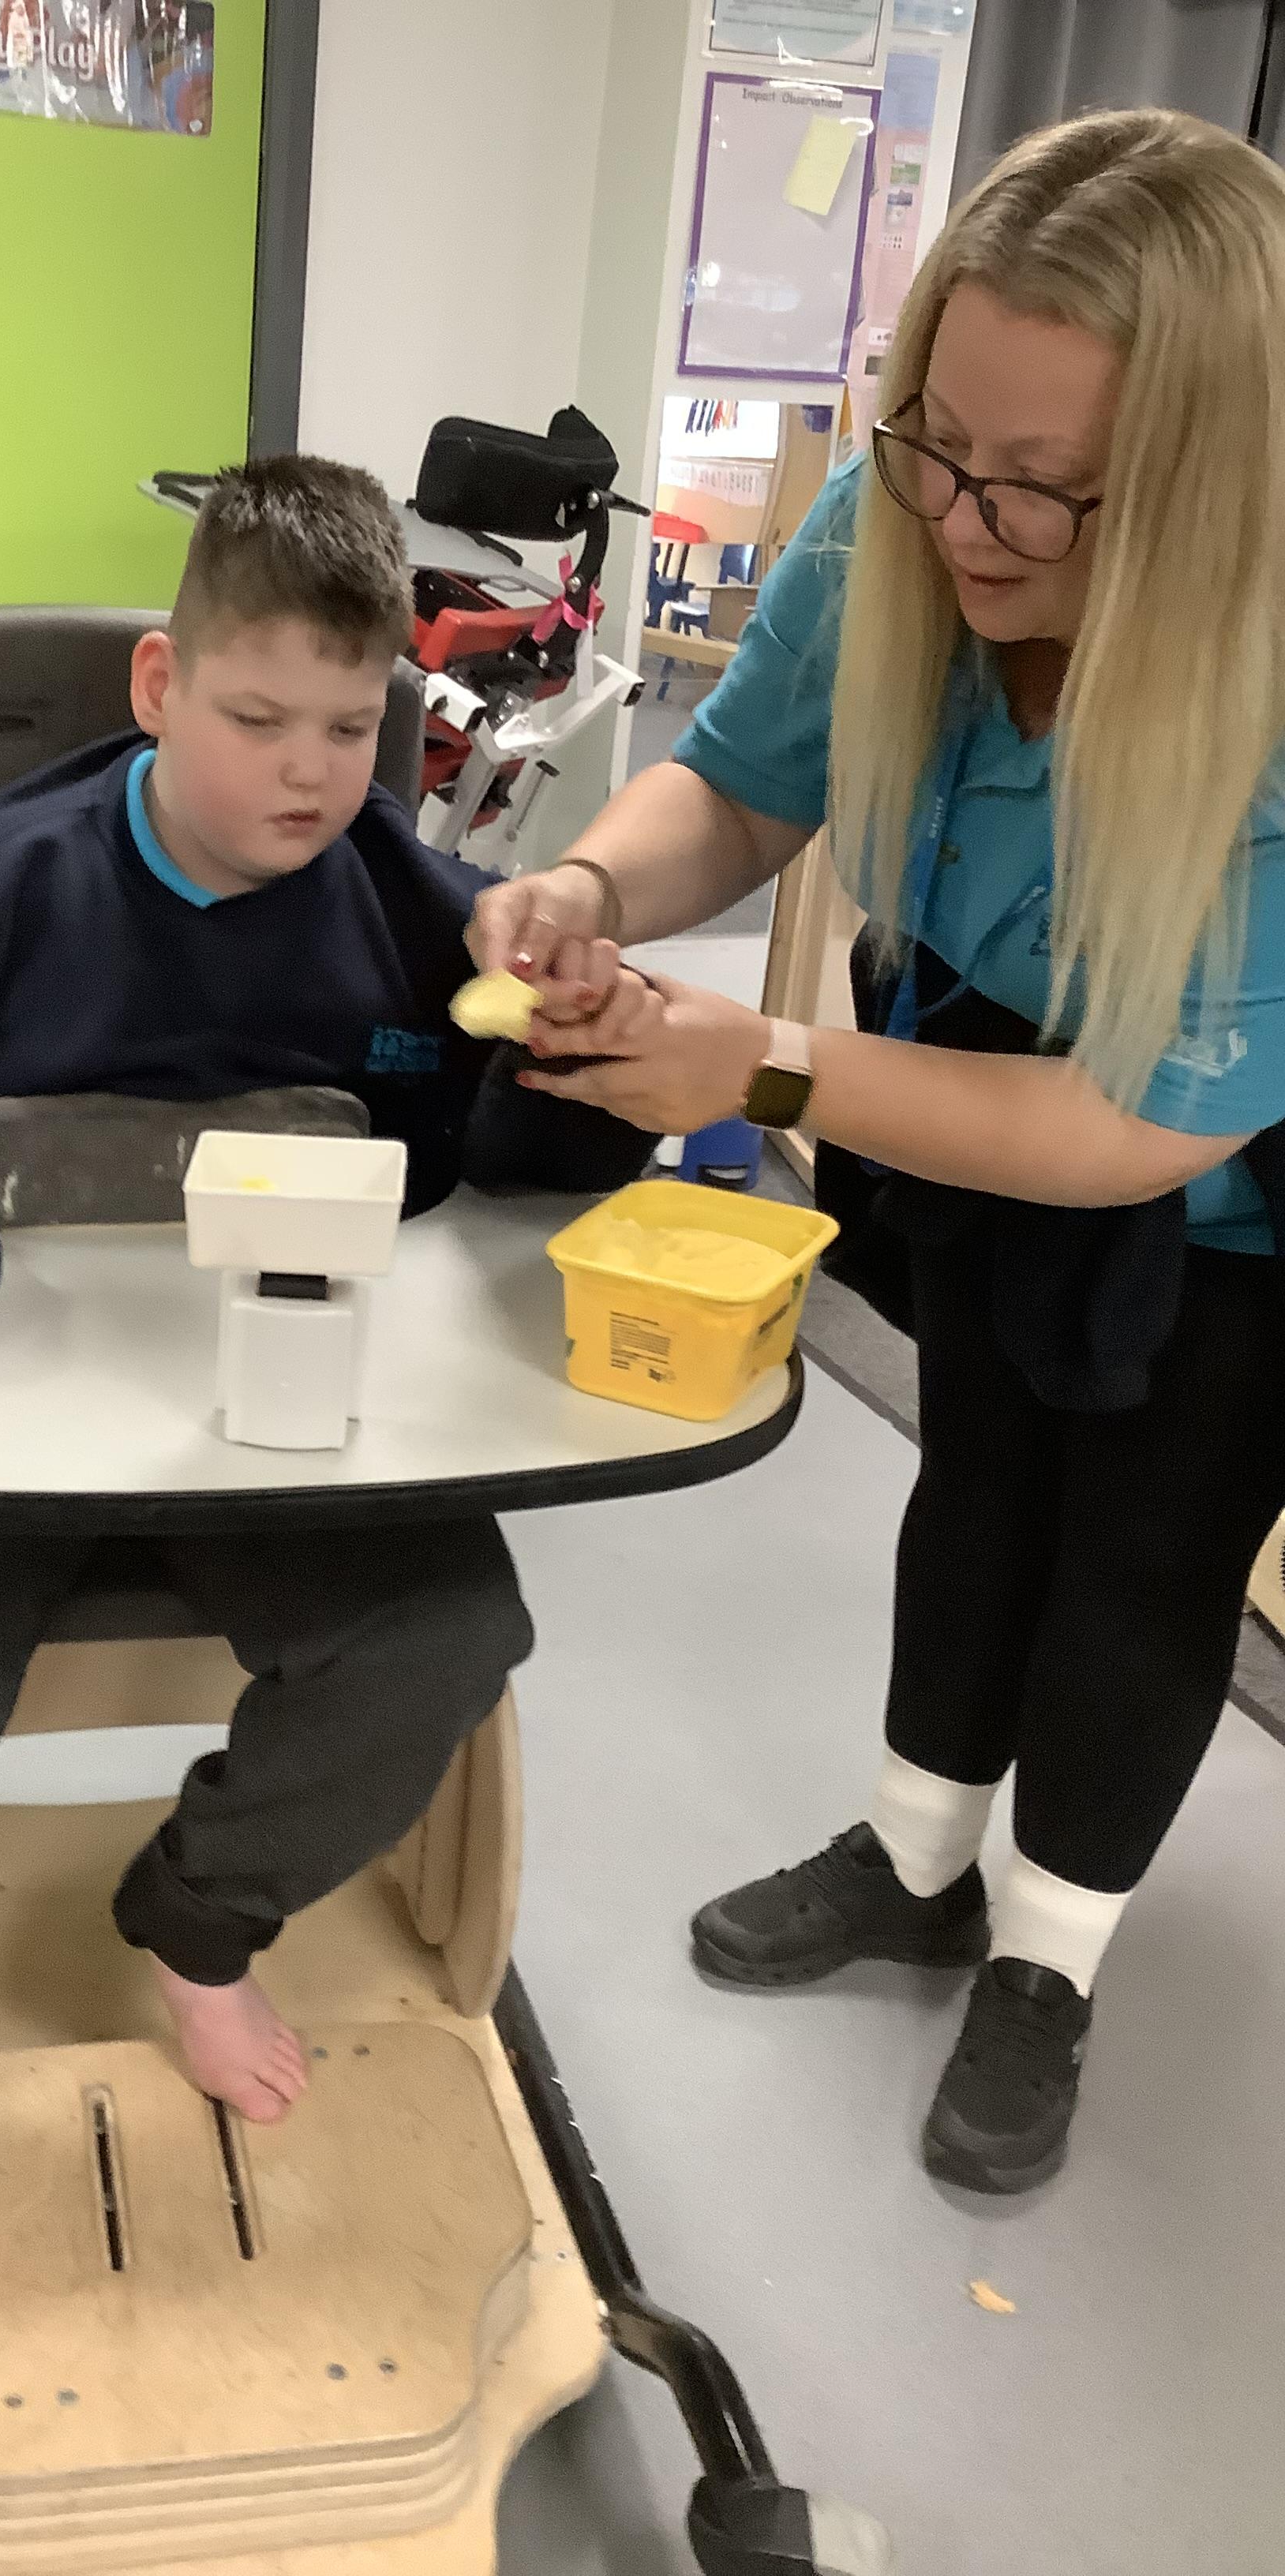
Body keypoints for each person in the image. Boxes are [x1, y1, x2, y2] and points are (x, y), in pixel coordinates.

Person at [0, 455, 650, 2421]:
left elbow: (487, 1160)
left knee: (449, 1630)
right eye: (258, 716)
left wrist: (572, 1058)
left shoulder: (411, 910)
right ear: (157, 685)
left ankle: (198, 1920)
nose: (309, 772)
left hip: (270, 1401)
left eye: (353, 730)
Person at [471, 109, 1285, 2196]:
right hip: (973, 1062)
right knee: (981, 1476)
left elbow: (1135, 1124)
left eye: (1040, 484)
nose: (964, 518)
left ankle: (1050, 1955)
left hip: (1225, 1187)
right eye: (937, 443)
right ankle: (922, 1860)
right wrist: (593, 886)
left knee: (1145, 1562)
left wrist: (759, 1071)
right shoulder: (893, 524)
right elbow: (744, 789)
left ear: (1198, 491)